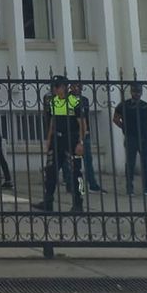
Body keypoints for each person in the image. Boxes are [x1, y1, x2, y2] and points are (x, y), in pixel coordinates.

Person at [34, 76, 85, 213]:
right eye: (53, 86)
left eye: (57, 86)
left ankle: (79, 204)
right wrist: (49, 140)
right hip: (57, 140)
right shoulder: (53, 102)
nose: (54, 89)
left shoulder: (74, 102)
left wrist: (81, 142)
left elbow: (82, 124)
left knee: (77, 174)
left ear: (64, 87)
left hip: (72, 140)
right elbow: (52, 122)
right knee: (50, 172)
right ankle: (48, 201)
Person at [113, 82, 147, 197]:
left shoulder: (145, 106)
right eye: (134, 91)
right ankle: (129, 188)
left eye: (138, 91)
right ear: (131, 91)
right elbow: (116, 118)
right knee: (130, 163)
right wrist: (124, 127)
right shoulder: (124, 105)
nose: (137, 94)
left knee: (146, 164)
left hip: (144, 138)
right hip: (131, 137)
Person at [68, 82, 102, 193]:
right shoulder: (67, 99)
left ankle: (92, 184)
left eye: (79, 86)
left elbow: (85, 118)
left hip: (84, 134)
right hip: (72, 134)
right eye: (75, 86)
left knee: (87, 161)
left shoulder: (84, 100)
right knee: (73, 163)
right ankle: (76, 187)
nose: (77, 88)